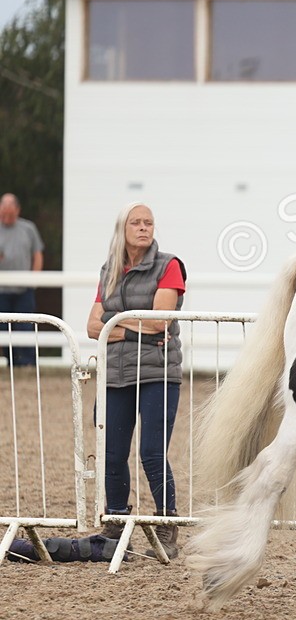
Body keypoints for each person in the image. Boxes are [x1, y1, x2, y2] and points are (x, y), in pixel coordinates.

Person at [86, 203, 186, 558]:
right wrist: (130, 329)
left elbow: (159, 321)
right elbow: (92, 326)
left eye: (149, 222)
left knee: (150, 453)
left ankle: (166, 522)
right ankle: (114, 525)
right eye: (136, 222)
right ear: (122, 228)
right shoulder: (109, 269)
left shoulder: (169, 265)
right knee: (112, 454)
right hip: (115, 372)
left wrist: (115, 322)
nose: (144, 228)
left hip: (159, 371)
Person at [0, 193, 45, 366]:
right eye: (3, 212)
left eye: (10, 213)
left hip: (24, 290)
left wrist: (35, 278)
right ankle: (12, 363)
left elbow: (37, 253)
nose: (6, 217)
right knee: (4, 329)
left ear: (17, 210)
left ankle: (28, 364)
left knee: (25, 326)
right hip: (2, 291)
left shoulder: (28, 228)